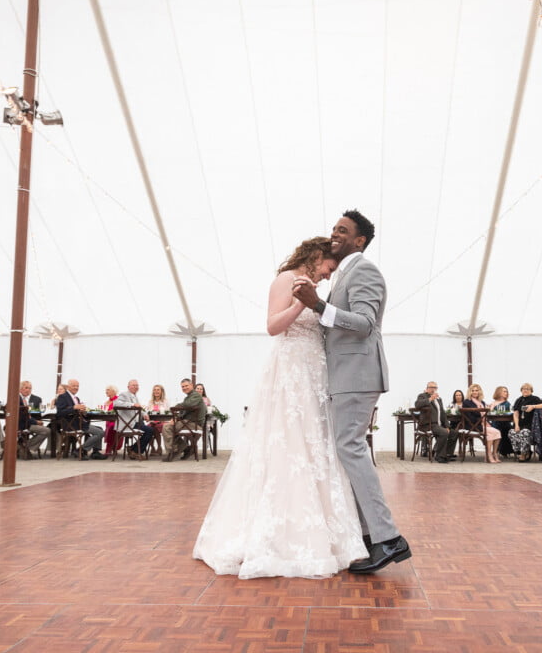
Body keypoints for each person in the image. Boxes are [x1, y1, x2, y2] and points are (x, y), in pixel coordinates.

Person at [194, 236, 367, 577]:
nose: (328, 276)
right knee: (287, 442)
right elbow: (273, 326)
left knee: (316, 445)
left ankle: (330, 534)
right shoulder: (286, 280)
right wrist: (302, 304)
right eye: (328, 268)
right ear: (316, 257)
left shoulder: (318, 288)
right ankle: (277, 535)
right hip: (290, 370)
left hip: (316, 372)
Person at [293, 210, 407, 574]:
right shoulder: (341, 275)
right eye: (333, 229)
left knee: (351, 449)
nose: (334, 234)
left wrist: (318, 306)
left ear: (360, 240)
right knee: (347, 452)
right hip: (343, 379)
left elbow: (364, 323)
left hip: (358, 375)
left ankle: (388, 538)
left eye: (343, 231)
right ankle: (370, 535)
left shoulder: (365, 271)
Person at [55, 379, 107, 459]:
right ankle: (80, 450)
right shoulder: (62, 397)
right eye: (74, 386)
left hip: (79, 423)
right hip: (71, 424)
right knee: (100, 432)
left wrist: (82, 411)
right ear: (68, 387)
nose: (76, 388)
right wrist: (74, 407)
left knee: (99, 428)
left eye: (77, 386)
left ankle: (95, 452)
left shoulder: (76, 398)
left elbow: (76, 411)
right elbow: (60, 413)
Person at [162, 378, 206, 461]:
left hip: (194, 425)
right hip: (187, 424)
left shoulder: (196, 395)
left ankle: (173, 452)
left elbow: (187, 405)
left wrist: (176, 406)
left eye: (186, 386)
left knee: (167, 427)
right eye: (182, 387)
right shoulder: (189, 397)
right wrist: (176, 419)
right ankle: (184, 448)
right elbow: (184, 412)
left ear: (192, 385)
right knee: (170, 427)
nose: (184, 388)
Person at [414, 380, 457, 463]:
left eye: (435, 387)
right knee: (444, 433)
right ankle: (439, 456)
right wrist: (430, 399)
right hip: (428, 424)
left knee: (453, 433)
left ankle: (447, 454)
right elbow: (417, 404)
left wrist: (447, 426)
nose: (433, 389)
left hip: (439, 424)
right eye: (431, 387)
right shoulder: (422, 396)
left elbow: (443, 413)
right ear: (427, 388)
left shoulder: (439, 399)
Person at [461, 383, 501, 463]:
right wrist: (481, 420)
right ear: (470, 392)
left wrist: (485, 420)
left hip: (482, 424)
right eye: (473, 390)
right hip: (472, 425)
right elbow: (470, 417)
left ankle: (494, 453)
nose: (475, 392)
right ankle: (488, 455)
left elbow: (485, 414)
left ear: (479, 392)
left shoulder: (482, 402)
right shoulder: (467, 402)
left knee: (498, 432)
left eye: (477, 390)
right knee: (491, 433)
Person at [113, 379, 152, 458]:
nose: (135, 387)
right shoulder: (124, 394)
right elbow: (116, 403)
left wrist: (145, 414)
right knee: (150, 430)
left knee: (150, 429)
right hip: (127, 424)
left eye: (137, 385)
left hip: (135, 422)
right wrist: (132, 404)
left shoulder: (134, 396)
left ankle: (132, 449)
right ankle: (136, 451)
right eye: (133, 385)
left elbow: (139, 408)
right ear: (128, 387)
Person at [509, 383, 542, 462]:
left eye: (527, 389)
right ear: (521, 390)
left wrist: (533, 406)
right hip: (520, 424)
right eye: (523, 389)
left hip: (531, 424)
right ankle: (521, 452)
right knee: (512, 432)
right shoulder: (519, 400)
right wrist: (516, 425)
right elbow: (516, 413)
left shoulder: (535, 399)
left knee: (525, 432)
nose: (525, 390)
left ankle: (524, 453)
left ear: (531, 391)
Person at [16, 380, 51, 456]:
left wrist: (38, 421)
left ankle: (23, 447)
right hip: (20, 424)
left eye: (30, 388)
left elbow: (39, 414)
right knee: (46, 430)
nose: (28, 390)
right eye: (26, 388)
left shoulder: (37, 399)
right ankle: (26, 448)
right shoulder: (15, 398)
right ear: (20, 389)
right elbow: (21, 415)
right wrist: (36, 422)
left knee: (46, 430)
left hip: (30, 422)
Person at [490, 385, 514, 457]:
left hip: (505, 423)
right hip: (495, 423)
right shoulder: (493, 403)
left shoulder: (507, 403)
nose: (506, 393)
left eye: (506, 391)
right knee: (495, 427)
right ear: (499, 392)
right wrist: (491, 407)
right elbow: (490, 413)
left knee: (506, 428)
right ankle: (495, 450)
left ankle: (504, 450)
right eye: (504, 391)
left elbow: (511, 412)